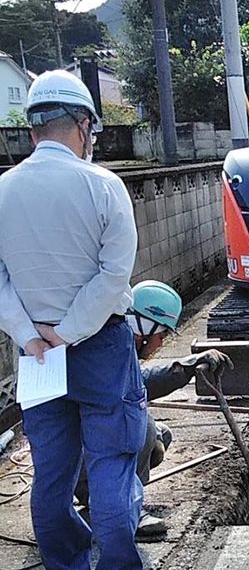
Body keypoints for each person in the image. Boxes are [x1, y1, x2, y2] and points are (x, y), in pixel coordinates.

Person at [0, 70, 144, 568]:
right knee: (111, 464)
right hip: (98, 345)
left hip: (36, 356)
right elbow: (113, 275)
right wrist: (68, 332)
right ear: (83, 124)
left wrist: (28, 334)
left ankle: (66, 564)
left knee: (52, 473)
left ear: (34, 127)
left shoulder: (2, 190)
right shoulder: (103, 186)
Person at [72, 280, 233, 540]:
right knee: (142, 424)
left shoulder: (117, 340)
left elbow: (141, 377)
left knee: (161, 433)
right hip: (81, 459)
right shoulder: (107, 346)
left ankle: (107, 499)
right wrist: (186, 368)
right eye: (162, 335)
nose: (161, 343)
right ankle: (125, 508)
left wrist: (188, 366)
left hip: (92, 451)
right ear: (144, 327)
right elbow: (136, 387)